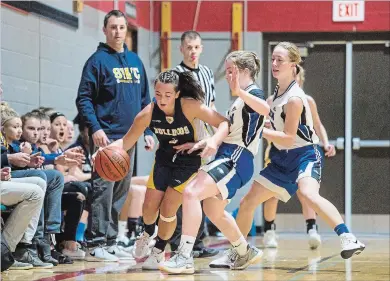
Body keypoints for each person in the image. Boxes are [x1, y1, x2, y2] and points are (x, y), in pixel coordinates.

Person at [229, 42, 365, 263]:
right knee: (247, 203)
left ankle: (347, 237)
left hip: (304, 155)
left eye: (279, 60)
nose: (274, 63)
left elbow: (290, 137)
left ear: (293, 64)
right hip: (281, 159)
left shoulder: (294, 98)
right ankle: (240, 252)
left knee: (309, 194)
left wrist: (259, 132)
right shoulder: (276, 95)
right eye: (272, 59)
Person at [94, 69, 229, 270]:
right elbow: (127, 141)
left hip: (188, 161)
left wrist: (212, 141)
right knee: (148, 209)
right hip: (164, 160)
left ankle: (158, 251)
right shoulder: (148, 113)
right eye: (158, 94)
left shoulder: (191, 106)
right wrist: (106, 150)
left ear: (177, 94)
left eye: (167, 95)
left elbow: (224, 123)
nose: (162, 99)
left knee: (168, 210)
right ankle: (147, 232)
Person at [159, 50, 270, 274]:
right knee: (212, 208)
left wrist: (239, 91)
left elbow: (265, 109)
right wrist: (202, 142)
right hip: (227, 153)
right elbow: (230, 132)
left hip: (237, 157)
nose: (227, 76)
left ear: (244, 72)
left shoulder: (253, 93)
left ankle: (184, 256)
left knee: (191, 192)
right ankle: (243, 250)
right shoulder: (240, 99)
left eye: (231, 71)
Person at [76, 9, 153, 262]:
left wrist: (148, 130)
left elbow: (145, 101)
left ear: (126, 30)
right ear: (105, 30)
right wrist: (95, 128)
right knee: (102, 190)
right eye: (113, 27)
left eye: (121, 27)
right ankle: (95, 243)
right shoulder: (96, 61)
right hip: (106, 138)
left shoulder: (135, 61)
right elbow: (84, 99)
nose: (117, 32)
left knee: (121, 189)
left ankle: (110, 241)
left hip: (129, 136)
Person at [262, 65, 336, 250]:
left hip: (302, 151)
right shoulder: (271, 101)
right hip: (278, 152)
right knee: (271, 193)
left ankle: (312, 229)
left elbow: (318, 124)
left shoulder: (306, 100)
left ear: (300, 80)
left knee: (306, 193)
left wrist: (326, 143)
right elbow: (263, 123)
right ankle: (269, 231)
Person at [170, 30, 218, 258]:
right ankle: (179, 242)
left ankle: (197, 242)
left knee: (201, 192)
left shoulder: (208, 72)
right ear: (181, 49)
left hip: (205, 139)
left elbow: (213, 105)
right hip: (184, 139)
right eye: (188, 47)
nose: (192, 51)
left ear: (201, 49)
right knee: (182, 192)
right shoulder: (175, 75)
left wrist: (218, 135)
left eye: (196, 47)